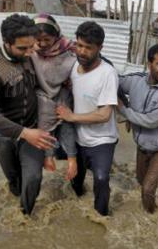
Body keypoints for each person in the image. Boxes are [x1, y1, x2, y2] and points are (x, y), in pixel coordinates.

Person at [0, 14, 56, 215]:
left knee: (33, 178)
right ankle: (15, 203)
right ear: (7, 43)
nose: (30, 53)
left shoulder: (30, 54)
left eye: (32, 46)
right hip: (5, 135)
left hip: (32, 129)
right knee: (14, 180)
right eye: (23, 48)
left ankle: (25, 215)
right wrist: (23, 132)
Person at [56, 21, 119, 216]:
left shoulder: (107, 73)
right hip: (78, 138)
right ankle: (79, 202)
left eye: (88, 48)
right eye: (79, 45)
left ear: (100, 48)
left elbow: (104, 114)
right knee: (76, 180)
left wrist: (71, 116)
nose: (82, 52)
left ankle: (102, 215)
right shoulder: (74, 65)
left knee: (100, 178)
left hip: (102, 140)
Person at [117, 43, 158, 213]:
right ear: (149, 64)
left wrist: (124, 110)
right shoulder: (135, 80)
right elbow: (112, 81)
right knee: (140, 181)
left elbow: (150, 121)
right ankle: (143, 213)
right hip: (142, 145)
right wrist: (125, 102)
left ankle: (152, 218)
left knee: (147, 189)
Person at [31, 13, 78, 181]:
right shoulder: (29, 51)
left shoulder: (70, 50)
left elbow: (91, 60)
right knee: (45, 120)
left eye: (47, 40)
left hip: (63, 93)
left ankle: (72, 159)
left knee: (66, 122)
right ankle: (48, 156)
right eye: (38, 40)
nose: (43, 44)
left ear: (56, 35)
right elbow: (0, 55)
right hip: (42, 96)